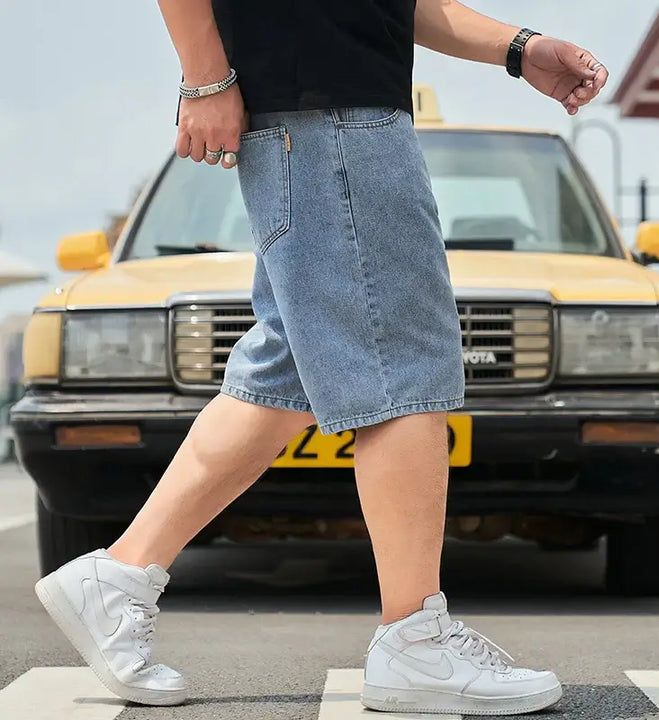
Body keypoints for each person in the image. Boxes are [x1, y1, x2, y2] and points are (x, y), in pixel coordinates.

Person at [35, 0, 608, 714]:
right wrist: (207, 79)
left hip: (329, 117)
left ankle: (117, 576)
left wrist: (519, 47)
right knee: (404, 368)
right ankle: (414, 641)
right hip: (332, 118)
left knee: (285, 375)